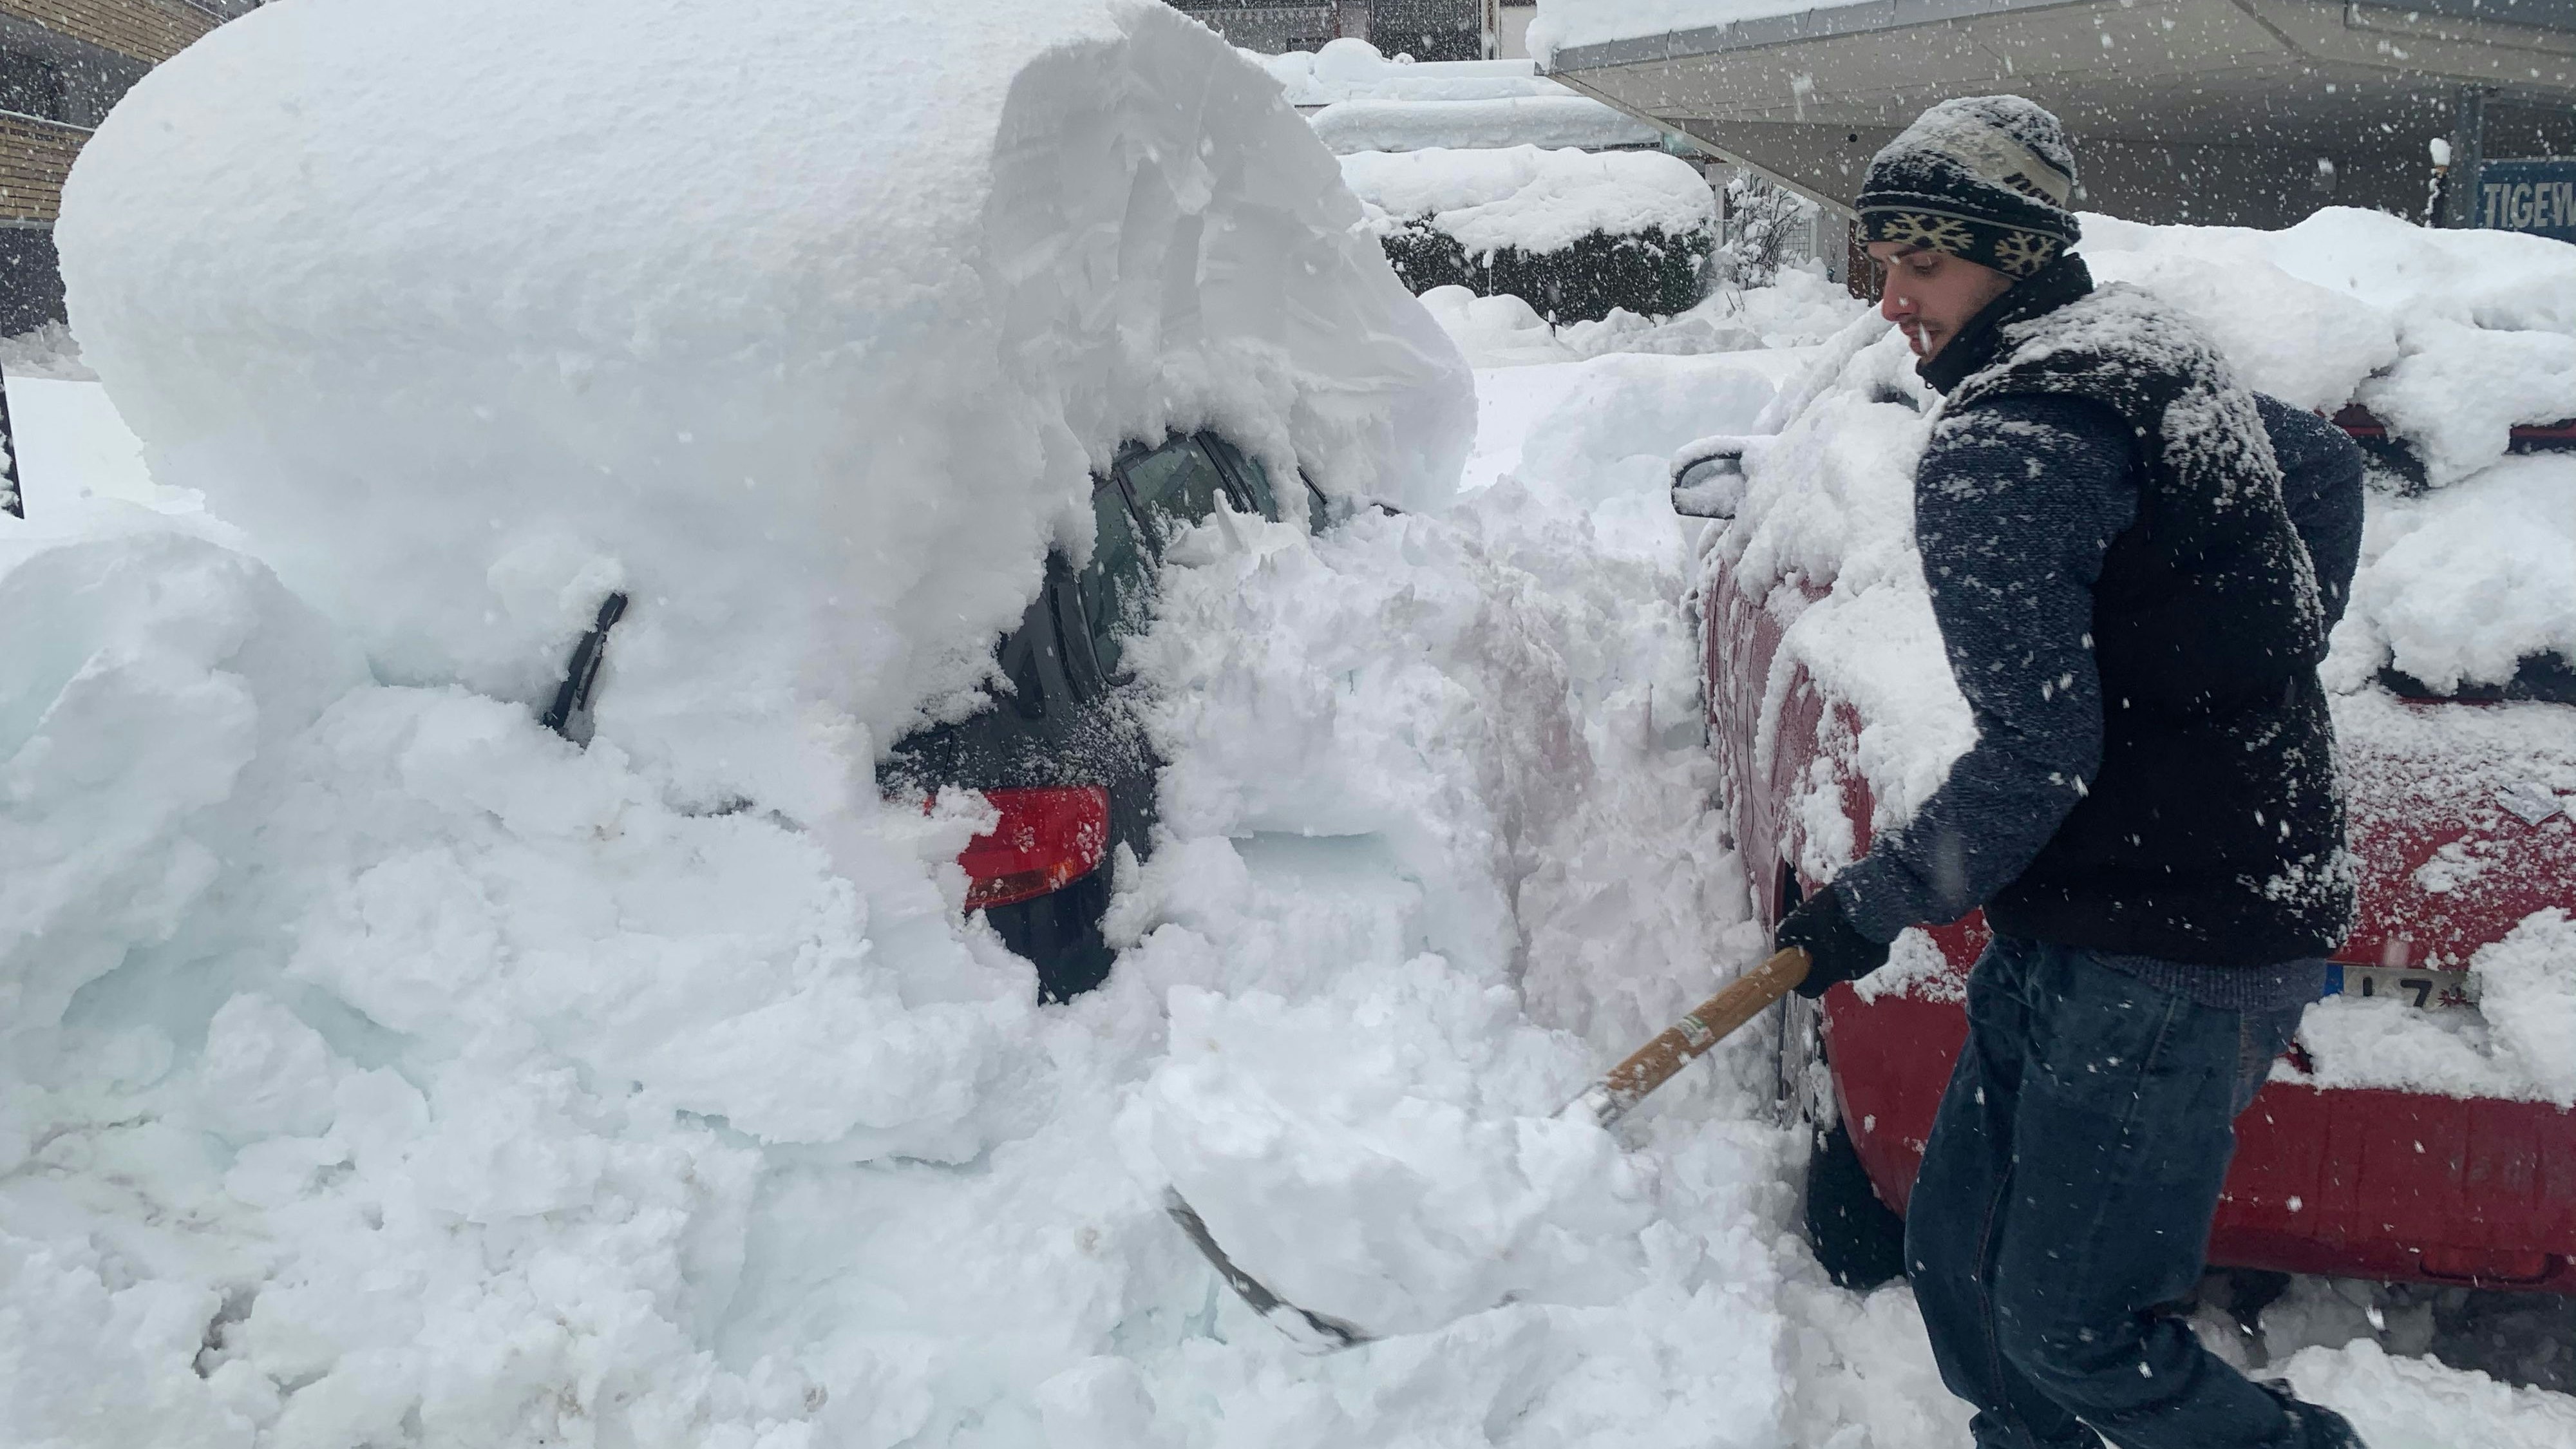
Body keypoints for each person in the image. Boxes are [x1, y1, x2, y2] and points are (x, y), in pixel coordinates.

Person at [1770, 96, 2370, 1449]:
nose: (1892, 301)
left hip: (2177, 946)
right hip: (2096, 912)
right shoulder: (2139, 349)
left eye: (1924, 264)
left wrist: (1865, 907)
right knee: (1969, 1266)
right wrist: (2245, 653)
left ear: (2015, 257)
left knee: (2071, 1328)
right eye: (1882, 263)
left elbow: (2038, 757)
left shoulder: (2011, 444)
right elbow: (2323, 465)